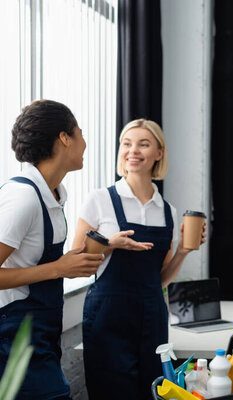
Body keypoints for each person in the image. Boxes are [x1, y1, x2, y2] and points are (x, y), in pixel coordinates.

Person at [73, 119, 206, 400]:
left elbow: (159, 280)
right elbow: (77, 265)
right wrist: (110, 245)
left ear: (159, 153)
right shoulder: (99, 200)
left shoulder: (168, 211)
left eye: (143, 144)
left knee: (152, 391)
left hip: (151, 316)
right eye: (126, 143)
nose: (133, 150)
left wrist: (183, 250)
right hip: (108, 316)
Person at [0, 100, 104, 399]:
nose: (85, 143)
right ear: (64, 138)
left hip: (40, 337)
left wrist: (68, 263)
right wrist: (59, 268)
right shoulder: (22, 197)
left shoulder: (53, 195)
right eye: (80, 133)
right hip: (13, 339)